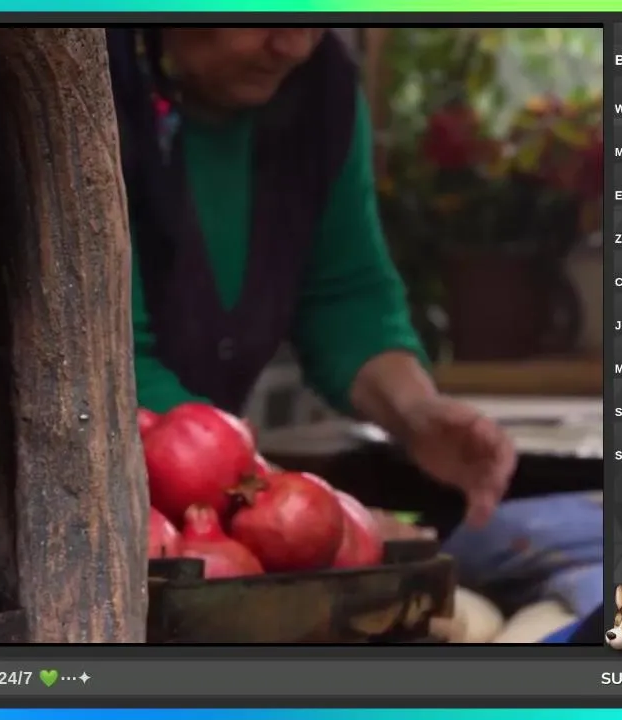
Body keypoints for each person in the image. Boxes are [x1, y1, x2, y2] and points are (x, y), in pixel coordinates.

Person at [107, 28, 516, 527]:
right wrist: (292, 507)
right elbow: (110, 363)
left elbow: (345, 297)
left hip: (203, 503)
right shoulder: (86, 85)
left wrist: (415, 411)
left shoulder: (322, 87)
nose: (295, 48)